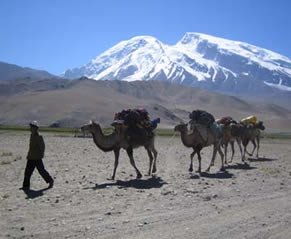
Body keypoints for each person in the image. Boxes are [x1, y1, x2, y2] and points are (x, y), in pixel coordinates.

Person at [20, 121, 54, 191]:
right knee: (27, 172)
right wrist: (28, 155)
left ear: (35, 128)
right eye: (30, 127)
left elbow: (42, 146)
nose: (30, 129)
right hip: (31, 157)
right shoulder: (31, 135)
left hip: (37, 158)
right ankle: (25, 186)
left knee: (41, 171)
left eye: (32, 127)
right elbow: (31, 147)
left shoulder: (39, 136)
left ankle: (50, 181)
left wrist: (41, 154)